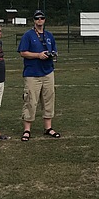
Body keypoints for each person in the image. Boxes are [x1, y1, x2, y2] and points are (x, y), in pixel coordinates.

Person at [17, 9, 61, 141]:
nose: (39, 20)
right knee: (31, 100)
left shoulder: (49, 35)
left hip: (48, 72)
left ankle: (48, 127)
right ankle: (27, 129)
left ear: (45, 20)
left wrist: (52, 55)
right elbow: (23, 52)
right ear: (34, 20)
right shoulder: (28, 35)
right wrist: (38, 55)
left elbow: (54, 50)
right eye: (37, 18)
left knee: (49, 99)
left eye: (41, 18)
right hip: (32, 73)